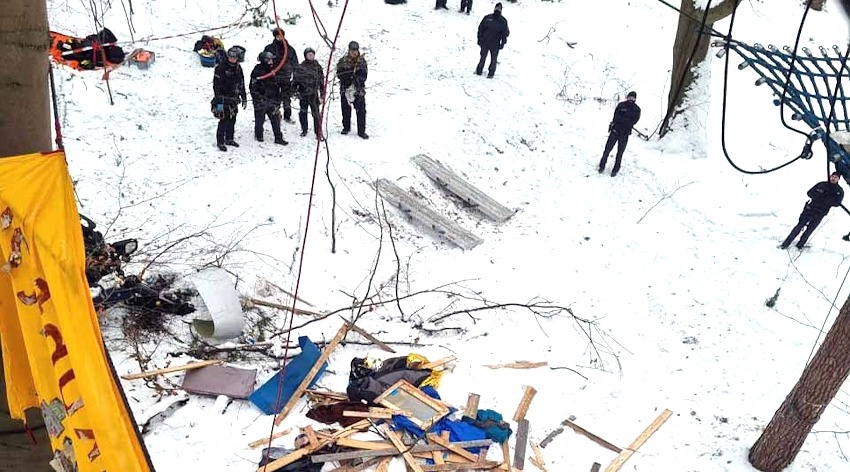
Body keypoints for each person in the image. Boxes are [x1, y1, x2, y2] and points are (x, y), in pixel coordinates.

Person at [780, 172, 844, 249]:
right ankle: (785, 244)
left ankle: (800, 245)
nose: (833, 178)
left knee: (809, 230)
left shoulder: (839, 191)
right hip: (809, 209)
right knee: (799, 226)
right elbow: (809, 193)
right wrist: (819, 196)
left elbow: (837, 203)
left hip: (820, 213)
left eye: (836, 177)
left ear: (838, 179)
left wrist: (827, 200)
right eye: (832, 176)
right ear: (830, 176)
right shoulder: (821, 184)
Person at [598, 91, 641, 177]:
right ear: (627, 97)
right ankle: (601, 166)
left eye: (633, 98)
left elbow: (633, 121)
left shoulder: (637, 109)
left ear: (635, 99)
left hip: (625, 134)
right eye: (630, 97)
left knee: (620, 153)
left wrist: (624, 120)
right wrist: (625, 120)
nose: (631, 99)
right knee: (607, 150)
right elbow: (616, 117)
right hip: (615, 131)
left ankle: (615, 170)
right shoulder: (621, 105)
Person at [212, 47, 247, 151]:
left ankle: (229, 138)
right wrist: (219, 99)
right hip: (222, 99)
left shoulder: (238, 68)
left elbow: (241, 83)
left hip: (234, 98)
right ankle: (220, 141)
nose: (232, 59)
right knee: (223, 119)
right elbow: (216, 85)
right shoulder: (220, 68)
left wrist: (243, 96)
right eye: (230, 57)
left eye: (234, 57)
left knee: (232, 119)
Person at [249, 52, 287, 145]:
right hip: (260, 101)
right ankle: (259, 135)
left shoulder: (274, 70)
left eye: (271, 59)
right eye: (269, 59)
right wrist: (258, 98)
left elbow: (278, 84)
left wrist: (278, 98)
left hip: (273, 99)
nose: (271, 61)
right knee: (259, 119)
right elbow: (253, 87)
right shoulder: (257, 70)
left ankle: (278, 137)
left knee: (276, 119)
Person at [263, 27, 299, 123]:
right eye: (277, 36)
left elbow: (295, 63)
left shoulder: (290, 49)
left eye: (281, 35)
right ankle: (275, 114)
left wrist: (295, 76)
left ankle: (287, 115)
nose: (279, 37)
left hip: (286, 77)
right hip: (273, 77)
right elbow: (264, 61)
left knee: (286, 97)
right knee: (274, 96)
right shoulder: (269, 48)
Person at [336, 41, 369, 139]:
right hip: (345, 88)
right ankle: (346, 127)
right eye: (352, 50)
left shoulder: (362, 61)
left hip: (358, 89)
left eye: (355, 50)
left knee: (361, 110)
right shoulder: (343, 61)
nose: (354, 52)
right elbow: (339, 74)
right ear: (349, 50)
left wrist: (356, 79)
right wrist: (347, 78)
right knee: (345, 109)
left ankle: (361, 131)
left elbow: (364, 75)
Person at [294, 47, 325, 139]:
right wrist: (295, 91)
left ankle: (318, 132)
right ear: (305, 56)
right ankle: (304, 129)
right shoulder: (301, 67)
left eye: (312, 54)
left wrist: (322, 94)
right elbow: (296, 80)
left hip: (314, 94)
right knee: (303, 112)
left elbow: (321, 81)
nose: (311, 56)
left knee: (316, 114)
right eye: (309, 54)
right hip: (303, 94)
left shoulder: (317, 67)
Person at [476, 2, 509, 78]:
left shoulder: (503, 21)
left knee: (493, 60)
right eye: (496, 8)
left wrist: (503, 43)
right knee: (482, 57)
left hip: (495, 44)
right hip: (485, 42)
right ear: (494, 8)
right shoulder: (487, 17)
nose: (497, 9)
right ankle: (479, 70)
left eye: (499, 8)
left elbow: (505, 33)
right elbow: (480, 28)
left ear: (501, 10)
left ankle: (491, 73)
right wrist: (479, 38)